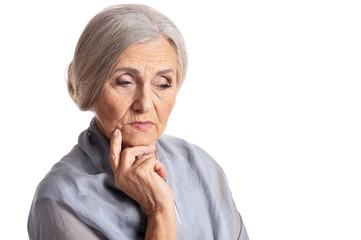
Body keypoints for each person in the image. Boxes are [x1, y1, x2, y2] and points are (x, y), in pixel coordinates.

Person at [27, 4, 249, 240]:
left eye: (163, 83)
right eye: (124, 82)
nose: (144, 103)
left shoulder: (202, 168)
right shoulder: (59, 200)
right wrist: (159, 210)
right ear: (92, 85)